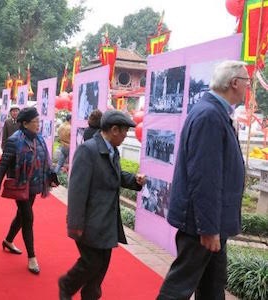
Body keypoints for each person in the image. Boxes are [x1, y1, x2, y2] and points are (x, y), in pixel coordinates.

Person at [156, 60, 247, 300]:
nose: (248, 87)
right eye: (246, 81)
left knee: (212, 286)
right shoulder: (209, 116)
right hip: (202, 225)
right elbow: (205, 177)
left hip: (210, 222)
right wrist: (208, 228)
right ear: (234, 83)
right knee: (179, 287)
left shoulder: (215, 112)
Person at [58, 110, 146, 300]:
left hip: (106, 221)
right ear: (114, 130)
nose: (125, 136)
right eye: (124, 132)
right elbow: (77, 191)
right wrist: (75, 224)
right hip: (90, 221)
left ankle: (90, 295)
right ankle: (67, 284)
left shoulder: (112, 150)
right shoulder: (88, 150)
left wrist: (134, 181)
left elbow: (116, 174)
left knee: (101, 266)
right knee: (91, 262)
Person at [0, 107, 58, 275]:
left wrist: (51, 176)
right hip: (20, 184)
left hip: (34, 185)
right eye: (35, 122)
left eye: (38, 121)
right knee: (28, 217)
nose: (38, 125)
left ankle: (8, 241)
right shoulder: (15, 140)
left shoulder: (39, 139)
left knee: (21, 216)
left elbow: (45, 159)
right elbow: (4, 163)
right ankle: (32, 257)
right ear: (26, 123)